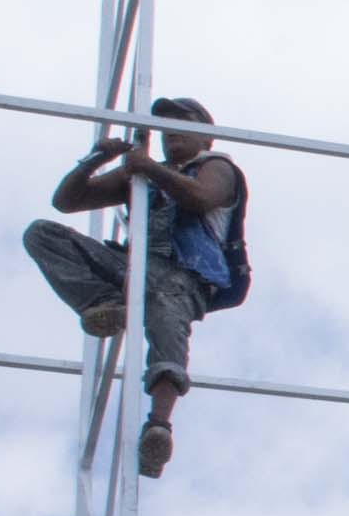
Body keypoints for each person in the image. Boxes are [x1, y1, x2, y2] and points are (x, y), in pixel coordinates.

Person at [22, 95, 248, 479]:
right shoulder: (143, 175)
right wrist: (98, 159)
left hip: (183, 275)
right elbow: (67, 201)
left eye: (183, 123)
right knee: (42, 234)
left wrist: (146, 168)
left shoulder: (216, 167)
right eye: (166, 125)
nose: (172, 132)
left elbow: (199, 198)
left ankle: (158, 426)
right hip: (133, 266)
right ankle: (107, 303)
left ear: (205, 135)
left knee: (167, 321)